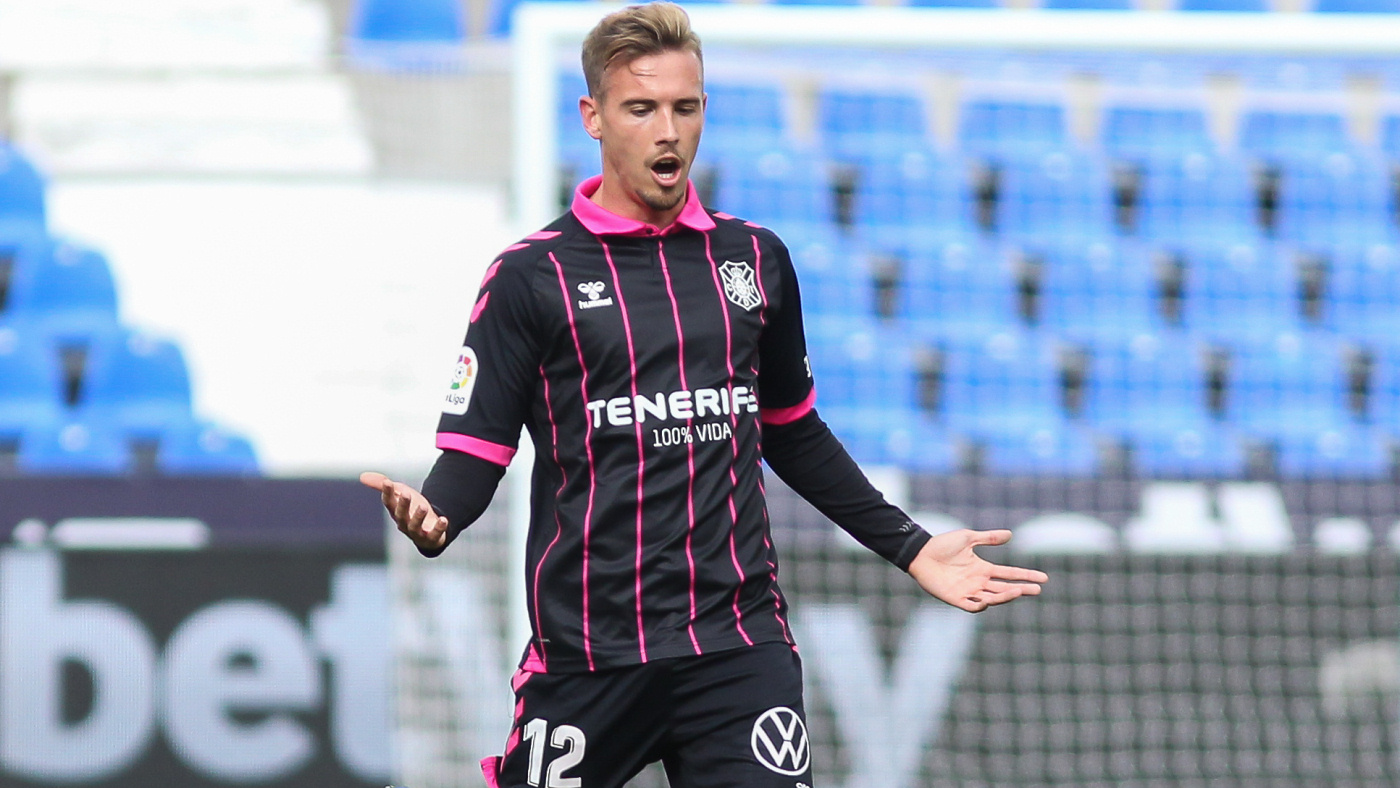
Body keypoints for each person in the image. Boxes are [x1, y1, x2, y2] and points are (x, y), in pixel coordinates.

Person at [360, 3, 1048, 786]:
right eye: (641, 108)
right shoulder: (530, 277)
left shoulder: (753, 259)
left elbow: (792, 430)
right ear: (593, 116)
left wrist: (911, 545)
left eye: (684, 108)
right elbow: (477, 450)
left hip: (737, 645)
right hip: (591, 653)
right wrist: (439, 517)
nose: (668, 131)